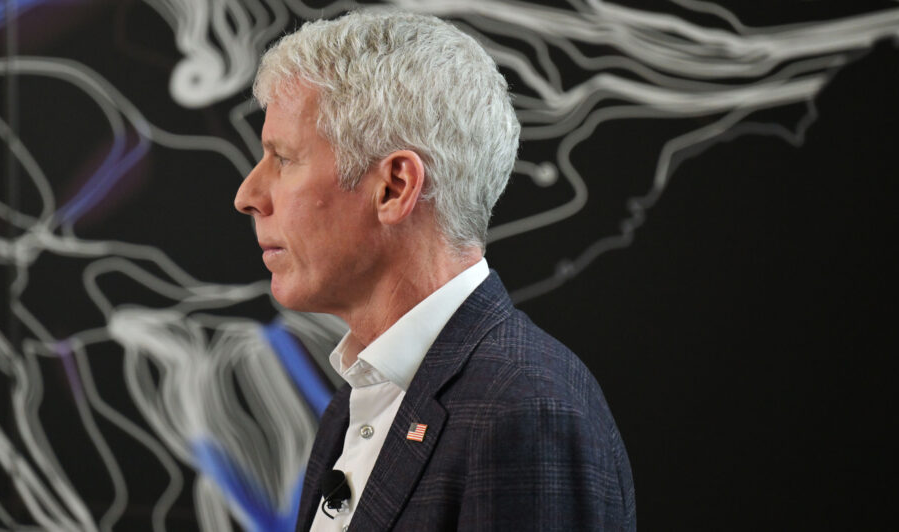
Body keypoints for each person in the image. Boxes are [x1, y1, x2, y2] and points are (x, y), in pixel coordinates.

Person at [234, 9, 635, 531]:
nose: (248, 195)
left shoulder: (527, 413)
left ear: (395, 187)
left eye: (282, 158)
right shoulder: (359, 402)